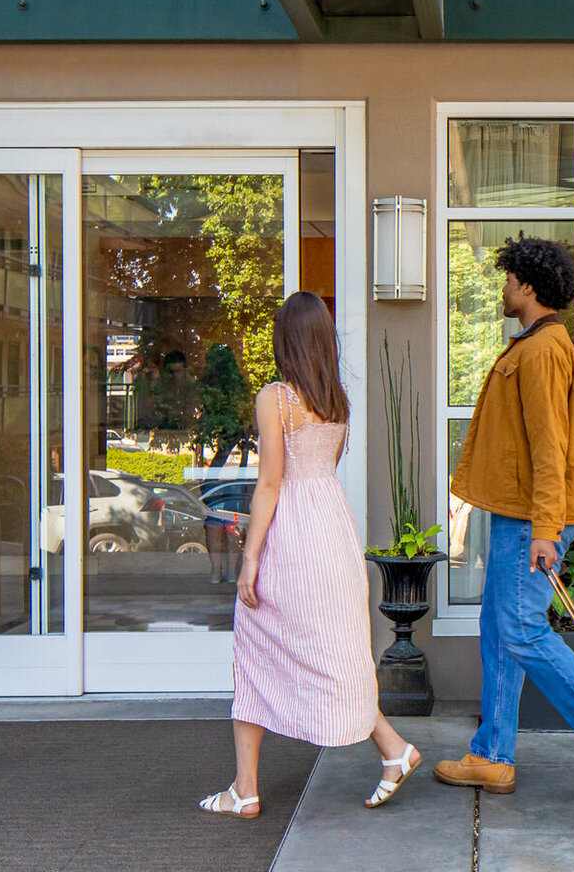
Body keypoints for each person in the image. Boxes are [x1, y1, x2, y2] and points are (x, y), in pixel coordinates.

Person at [199, 292, 422, 817]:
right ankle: (392, 750)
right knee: (337, 650)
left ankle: (246, 790)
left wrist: (250, 556)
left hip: (294, 533)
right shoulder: (335, 399)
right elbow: (318, 469)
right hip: (332, 528)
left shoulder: (275, 397)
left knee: (256, 649)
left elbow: (273, 482)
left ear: (285, 339)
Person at [433, 236, 574, 800]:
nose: (502, 289)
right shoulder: (538, 344)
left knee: (521, 629)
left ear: (527, 286)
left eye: (507, 280)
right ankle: (492, 755)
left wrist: (547, 529)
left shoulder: (543, 351)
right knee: (500, 631)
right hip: (518, 516)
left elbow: (551, 451)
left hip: (532, 521)